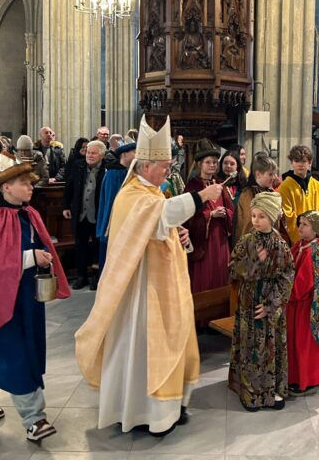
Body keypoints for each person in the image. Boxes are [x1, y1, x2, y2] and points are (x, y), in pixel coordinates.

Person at [75, 115, 223, 436]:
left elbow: (162, 224)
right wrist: (200, 197)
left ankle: (170, 407)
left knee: (172, 339)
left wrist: (180, 237)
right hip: (141, 290)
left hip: (163, 282)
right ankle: (145, 413)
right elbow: (160, 216)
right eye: (164, 167)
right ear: (145, 168)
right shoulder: (132, 195)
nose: (168, 172)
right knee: (145, 346)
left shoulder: (152, 192)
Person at [0, 153, 71, 442]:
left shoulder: (29, 213)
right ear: (6, 187)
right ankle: (34, 419)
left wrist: (44, 258)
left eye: (30, 183)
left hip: (26, 295)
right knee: (14, 350)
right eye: (24, 183)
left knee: (15, 349)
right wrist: (33, 256)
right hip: (0, 297)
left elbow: (37, 244)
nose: (31, 188)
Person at [228, 191, 294, 411]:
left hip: (269, 305)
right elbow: (233, 268)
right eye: (254, 215)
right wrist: (253, 263)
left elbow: (287, 276)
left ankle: (271, 390)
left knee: (270, 345)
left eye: (262, 216)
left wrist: (271, 305)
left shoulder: (281, 245)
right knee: (250, 347)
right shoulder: (247, 241)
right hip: (248, 302)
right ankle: (249, 392)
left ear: (273, 217)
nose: (256, 220)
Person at [287, 211, 319, 395]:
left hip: (307, 306)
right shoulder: (300, 245)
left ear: (316, 229)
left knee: (304, 343)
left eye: (305, 224)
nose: (300, 227)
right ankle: (294, 376)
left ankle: (306, 380)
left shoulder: (314, 250)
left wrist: (288, 292)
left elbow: (304, 282)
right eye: (300, 223)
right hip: (295, 304)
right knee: (295, 342)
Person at [184, 141, 234, 295]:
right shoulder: (192, 187)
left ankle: (219, 317)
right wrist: (210, 215)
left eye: (214, 162)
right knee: (204, 281)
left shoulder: (220, 185)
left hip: (220, 241)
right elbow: (187, 219)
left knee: (220, 278)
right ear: (200, 164)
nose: (212, 165)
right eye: (208, 162)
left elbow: (232, 212)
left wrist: (226, 212)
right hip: (203, 244)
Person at [63, 140, 107, 290]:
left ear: (102, 155)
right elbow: (68, 187)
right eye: (88, 152)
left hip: (97, 215)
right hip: (80, 213)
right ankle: (82, 276)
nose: (90, 155)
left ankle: (95, 276)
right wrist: (66, 206)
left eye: (93, 153)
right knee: (79, 245)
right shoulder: (78, 165)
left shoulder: (107, 169)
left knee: (96, 245)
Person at [96, 142, 136, 273]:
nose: (138, 156)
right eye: (134, 152)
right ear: (124, 154)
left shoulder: (128, 172)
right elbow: (112, 202)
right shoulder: (114, 173)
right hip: (113, 224)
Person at [278, 145, 319, 245]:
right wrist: (302, 236)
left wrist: (315, 233)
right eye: (296, 161)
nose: (300, 164)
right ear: (291, 163)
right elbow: (289, 217)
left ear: (310, 163)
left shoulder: (317, 185)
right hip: (297, 239)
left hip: (315, 237)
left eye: (304, 161)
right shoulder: (284, 187)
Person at [235, 153, 285, 243]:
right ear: (258, 174)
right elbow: (249, 222)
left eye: (274, 174)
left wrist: (280, 214)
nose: (274, 177)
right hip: (253, 245)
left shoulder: (271, 193)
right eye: (270, 174)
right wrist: (272, 216)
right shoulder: (248, 194)